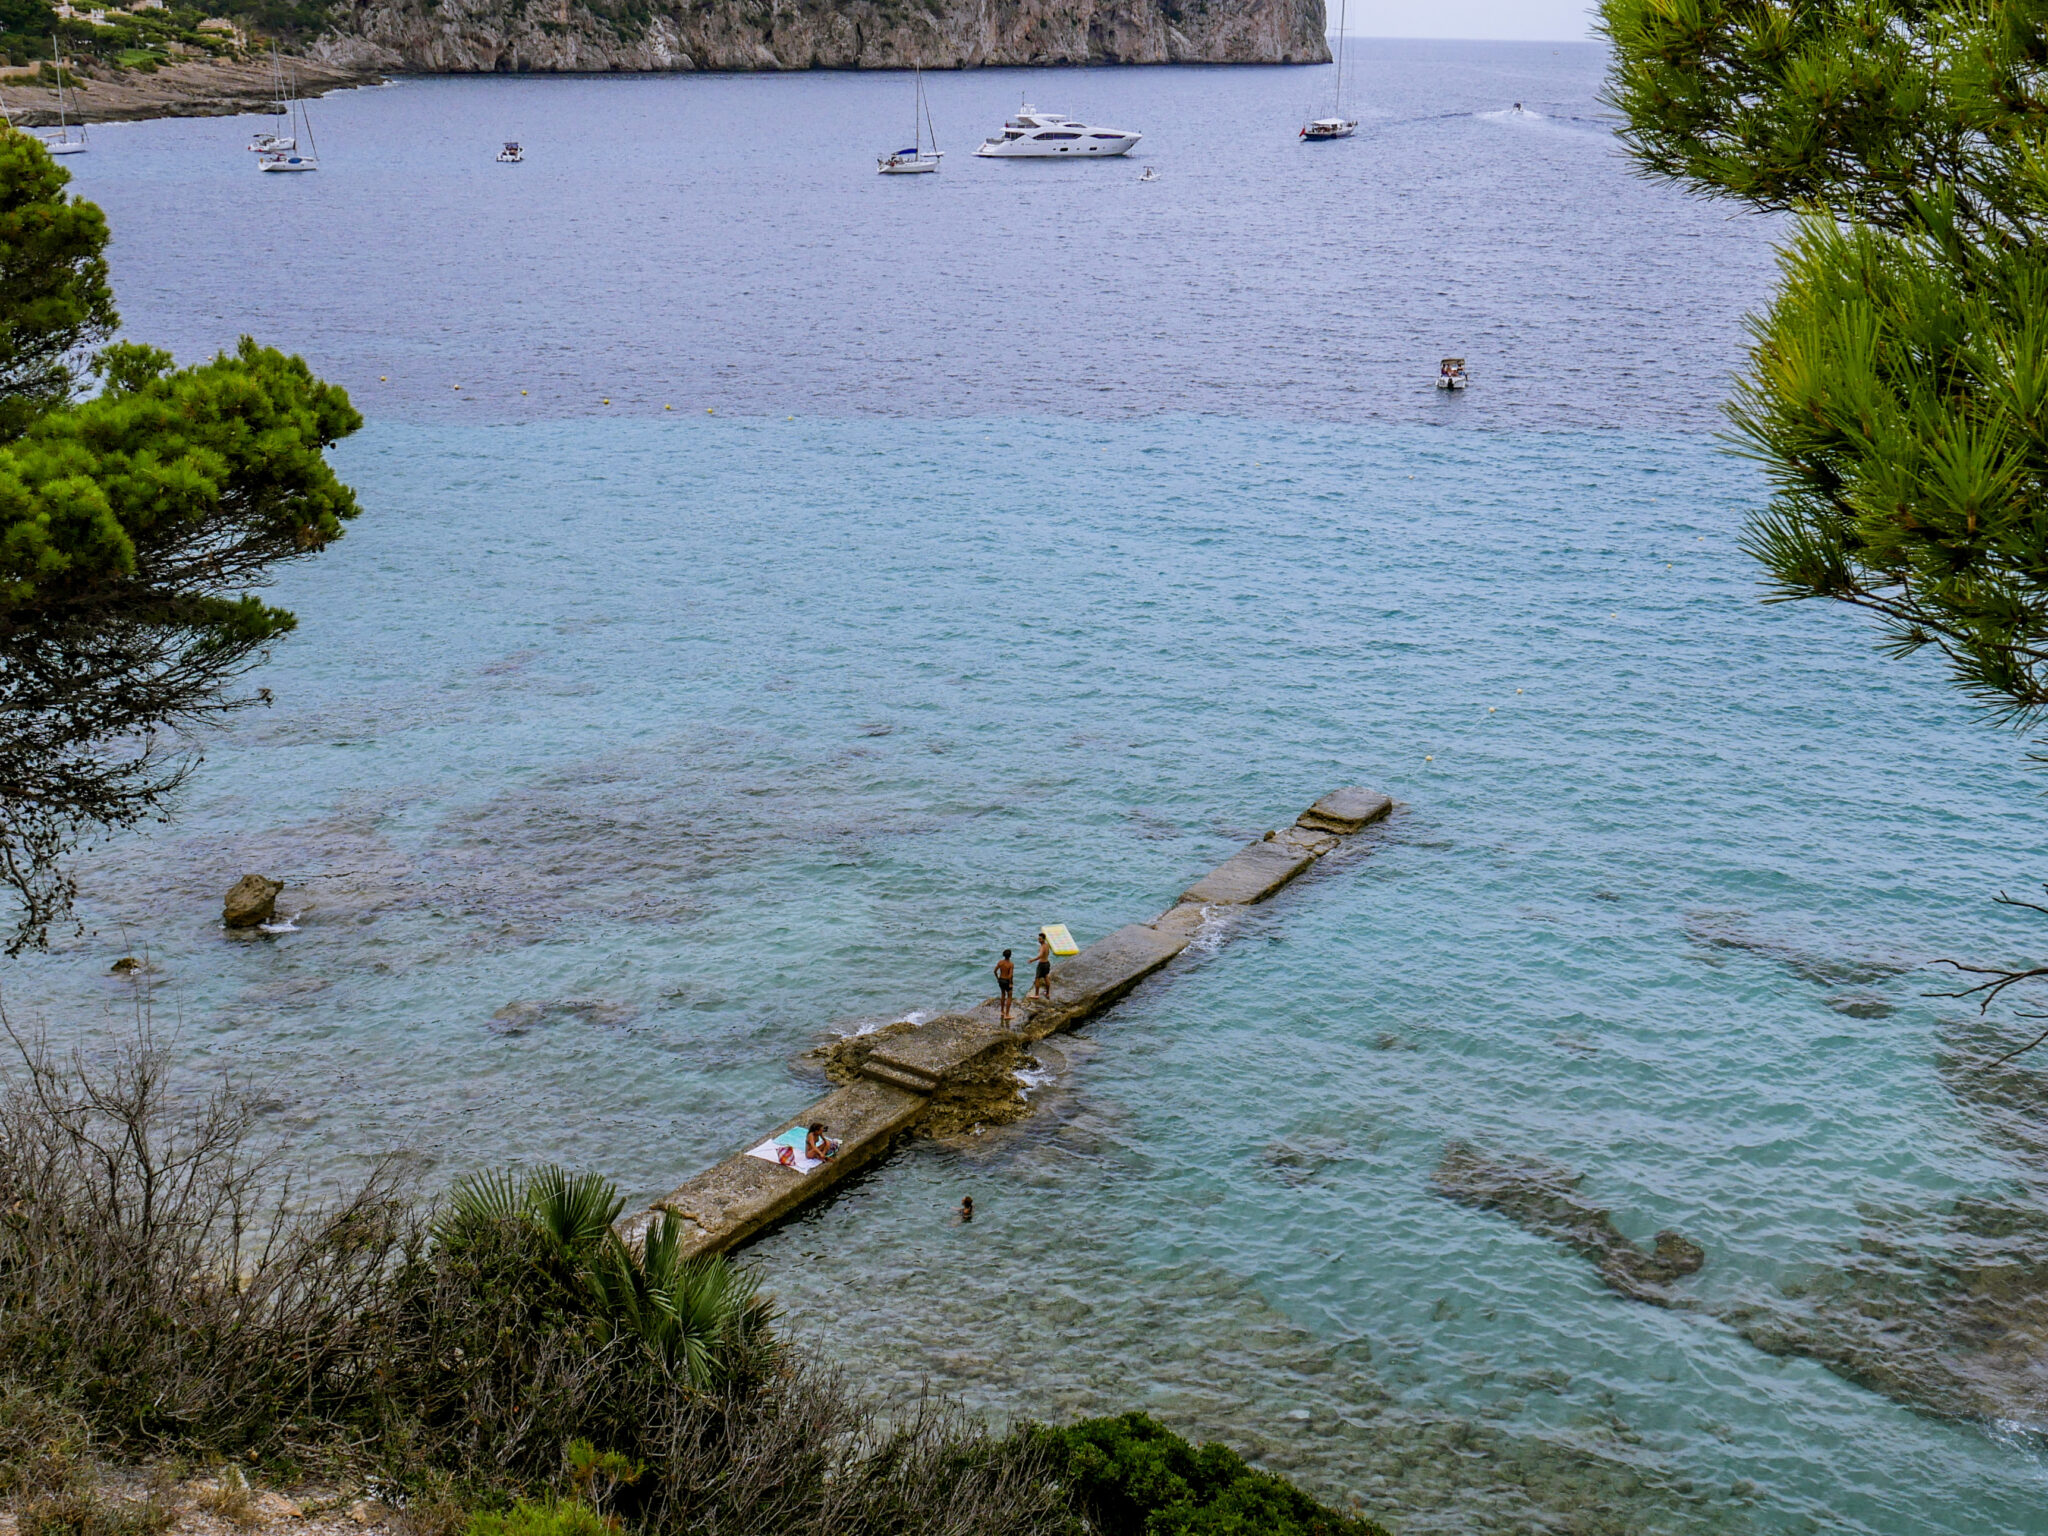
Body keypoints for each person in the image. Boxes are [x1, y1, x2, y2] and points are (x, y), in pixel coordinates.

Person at [1030, 931, 1053, 1000]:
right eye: (1038, 938)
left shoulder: (1042, 947)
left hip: (1042, 964)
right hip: (1047, 963)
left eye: (1040, 939)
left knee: (1037, 979)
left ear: (1043, 939)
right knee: (1046, 977)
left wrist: (1032, 960)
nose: (1039, 940)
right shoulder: (1047, 945)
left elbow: (1040, 956)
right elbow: (1047, 953)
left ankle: (1036, 995)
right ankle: (1048, 993)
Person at [994, 949, 1014, 1024]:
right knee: (1009, 996)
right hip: (1006, 981)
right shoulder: (1011, 964)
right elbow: (1010, 975)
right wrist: (1011, 983)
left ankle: (1002, 1011)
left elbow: (995, 971)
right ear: (1010, 956)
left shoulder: (1000, 962)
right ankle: (1007, 1014)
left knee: (1003, 994)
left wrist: (998, 978)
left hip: (1001, 980)